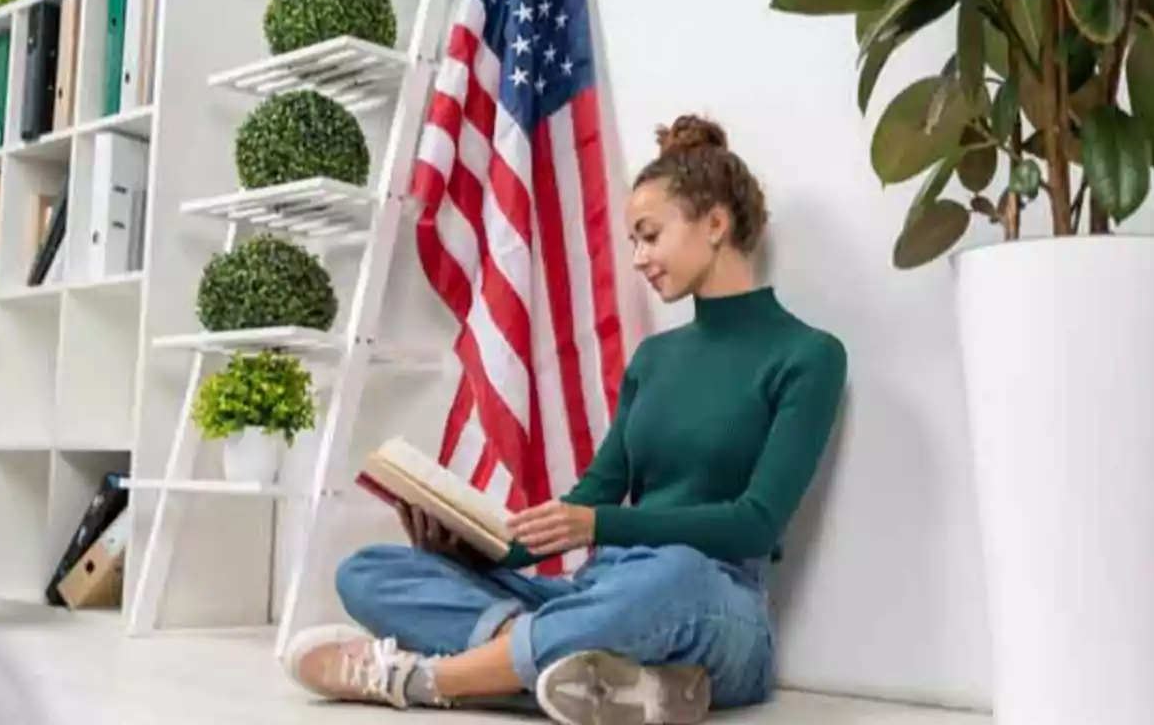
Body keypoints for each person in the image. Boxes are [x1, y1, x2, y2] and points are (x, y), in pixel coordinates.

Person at [282, 114, 848, 725]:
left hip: (714, 603)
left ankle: (427, 679)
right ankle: (612, 681)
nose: (638, 258)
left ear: (715, 224)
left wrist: (598, 524)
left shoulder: (809, 356)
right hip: (596, 593)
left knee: (670, 575)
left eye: (649, 236)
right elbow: (590, 498)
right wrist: (481, 552)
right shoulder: (655, 359)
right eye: (634, 241)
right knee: (367, 571)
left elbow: (754, 526)